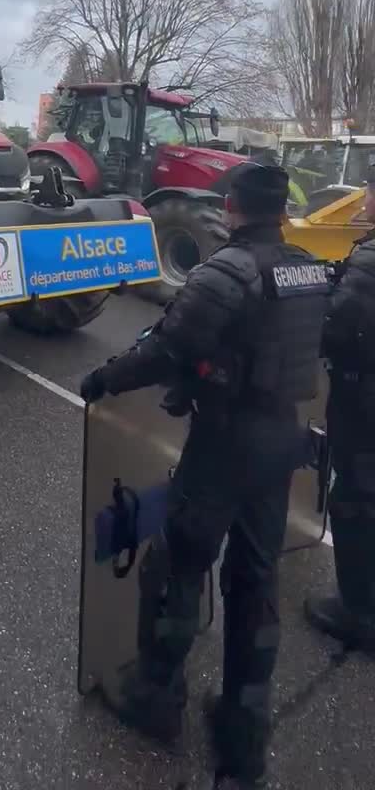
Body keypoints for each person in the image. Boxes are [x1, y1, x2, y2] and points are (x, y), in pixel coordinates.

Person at [80, 162, 329, 787]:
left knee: (177, 566)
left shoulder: (226, 270)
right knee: (254, 578)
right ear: (282, 209)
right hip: (281, 440)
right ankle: (243, 734)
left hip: (226, 442)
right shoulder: (307, 267)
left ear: (233, 206)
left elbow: (167, 347)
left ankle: (155, 697)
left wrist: (105, 378)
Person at [304, 166, 375, 647]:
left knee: (354, 500)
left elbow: (335, 327)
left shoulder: (370, 260)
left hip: (364, 402)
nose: (365, 199)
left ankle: (359, 611)